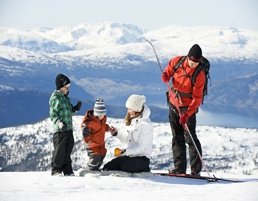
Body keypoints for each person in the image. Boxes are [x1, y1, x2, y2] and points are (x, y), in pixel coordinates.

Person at [161, 44, 208, 175]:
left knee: (190, 138)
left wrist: (188, 113)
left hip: (188, 108)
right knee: (177, 137)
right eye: (192, 61)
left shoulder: (200, 74)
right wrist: (165, 75)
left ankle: (195, 171)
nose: (194, 64)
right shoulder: (177, 61)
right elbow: (168, 71)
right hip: (173, 104)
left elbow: (197, 97)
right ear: (188, 57)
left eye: (197, 62)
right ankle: (179, 168)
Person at [103, 94, 153, 173]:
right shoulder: (133, 121)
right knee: (108, 167)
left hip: (142, 158)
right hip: (130, 156)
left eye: (130, 109)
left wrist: (126, 151)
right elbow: (127, 139)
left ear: (137, 109)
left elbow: (142, 147)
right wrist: (117, 134)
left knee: (126, 167)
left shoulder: (146, 125)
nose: (128, 111)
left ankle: (145, 169)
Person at [49, 73, 82, 176]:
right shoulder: (55, 98)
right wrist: (59, 123)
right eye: (66, 87)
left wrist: (75, 108)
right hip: (60, 130)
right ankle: (56, 169)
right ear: (60, 86)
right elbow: (53, 114)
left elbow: (68, 111)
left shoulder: (65, 97)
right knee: (60, 150)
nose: (68, 89)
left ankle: (67, 170)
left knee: (68, 150)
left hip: (68, 128)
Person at [81, 98, 117, 171]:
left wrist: (109, 128)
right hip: (92, 144)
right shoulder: (89, 121)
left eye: (103, 114)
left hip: (100, 144)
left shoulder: (102, 120)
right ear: (96, 113)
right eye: (100, 114)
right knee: (95, 156)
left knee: (103, 154)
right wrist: (88, 140)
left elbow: (103, 126)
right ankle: (90, 169)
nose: (102, 116)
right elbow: (85, 130)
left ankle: (96, 168)